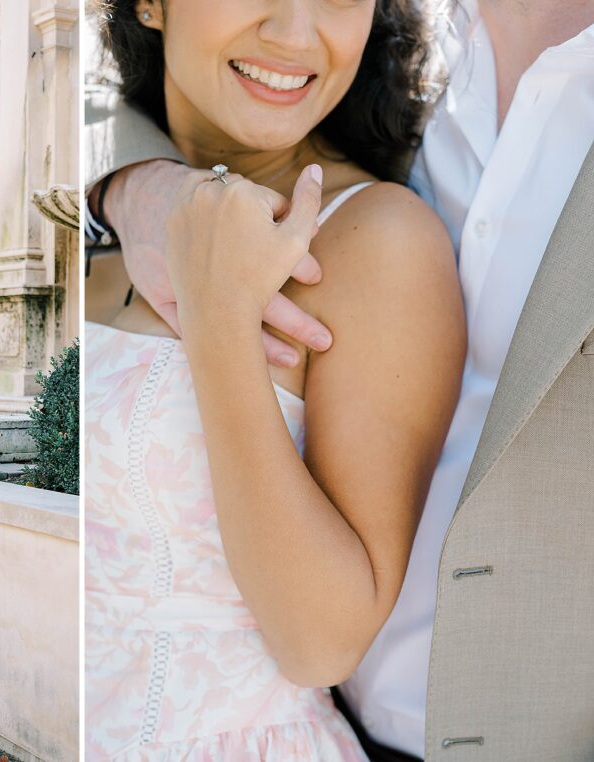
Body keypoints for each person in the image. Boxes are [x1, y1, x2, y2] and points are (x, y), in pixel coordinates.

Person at [90, 0, 594, 758]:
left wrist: (219, 312)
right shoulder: (112, 203)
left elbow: (320, 640)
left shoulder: (372, 239)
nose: (296, 34)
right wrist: (124, 186)